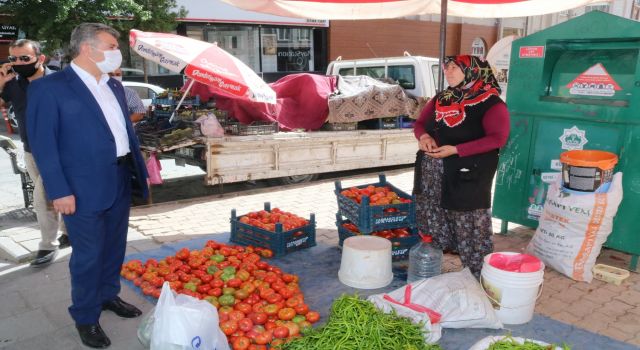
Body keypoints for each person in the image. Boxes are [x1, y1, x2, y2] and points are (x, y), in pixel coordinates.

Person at [27, 23, 148, 348]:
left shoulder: (115, 87)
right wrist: (58, 190)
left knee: (114, 247)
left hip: (120, 178)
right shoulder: (49, 89)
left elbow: (122, 133)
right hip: (79, 189)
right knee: (88, 255)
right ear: (87, 48)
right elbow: (44, 145)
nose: (116, 52)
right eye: (111, 45)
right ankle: (85, 316)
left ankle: (109, 296)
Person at [413, 55, 510, 278]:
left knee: (470, 225)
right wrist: (424, 136)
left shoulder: (491, 103)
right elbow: (419, 124)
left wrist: (456, 150)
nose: (447, 72)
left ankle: (479, 278)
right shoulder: (441, 98)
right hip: (433, 175)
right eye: (446, 68)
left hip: (468, 175)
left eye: (454, 68)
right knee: (433, 220)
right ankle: (435, 267)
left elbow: (497, 139)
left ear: (473, 71)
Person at [0, 39, 69, 267]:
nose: (18, 63)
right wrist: (1, 84)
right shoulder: (13, 84)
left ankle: (48, 246)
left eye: (24, 58)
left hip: (59, 151)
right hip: (30, 151)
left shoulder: (60, 81)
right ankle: (68, 232)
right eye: (13, 59)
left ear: (40, 58)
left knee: (42, 199)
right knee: (54, 196)